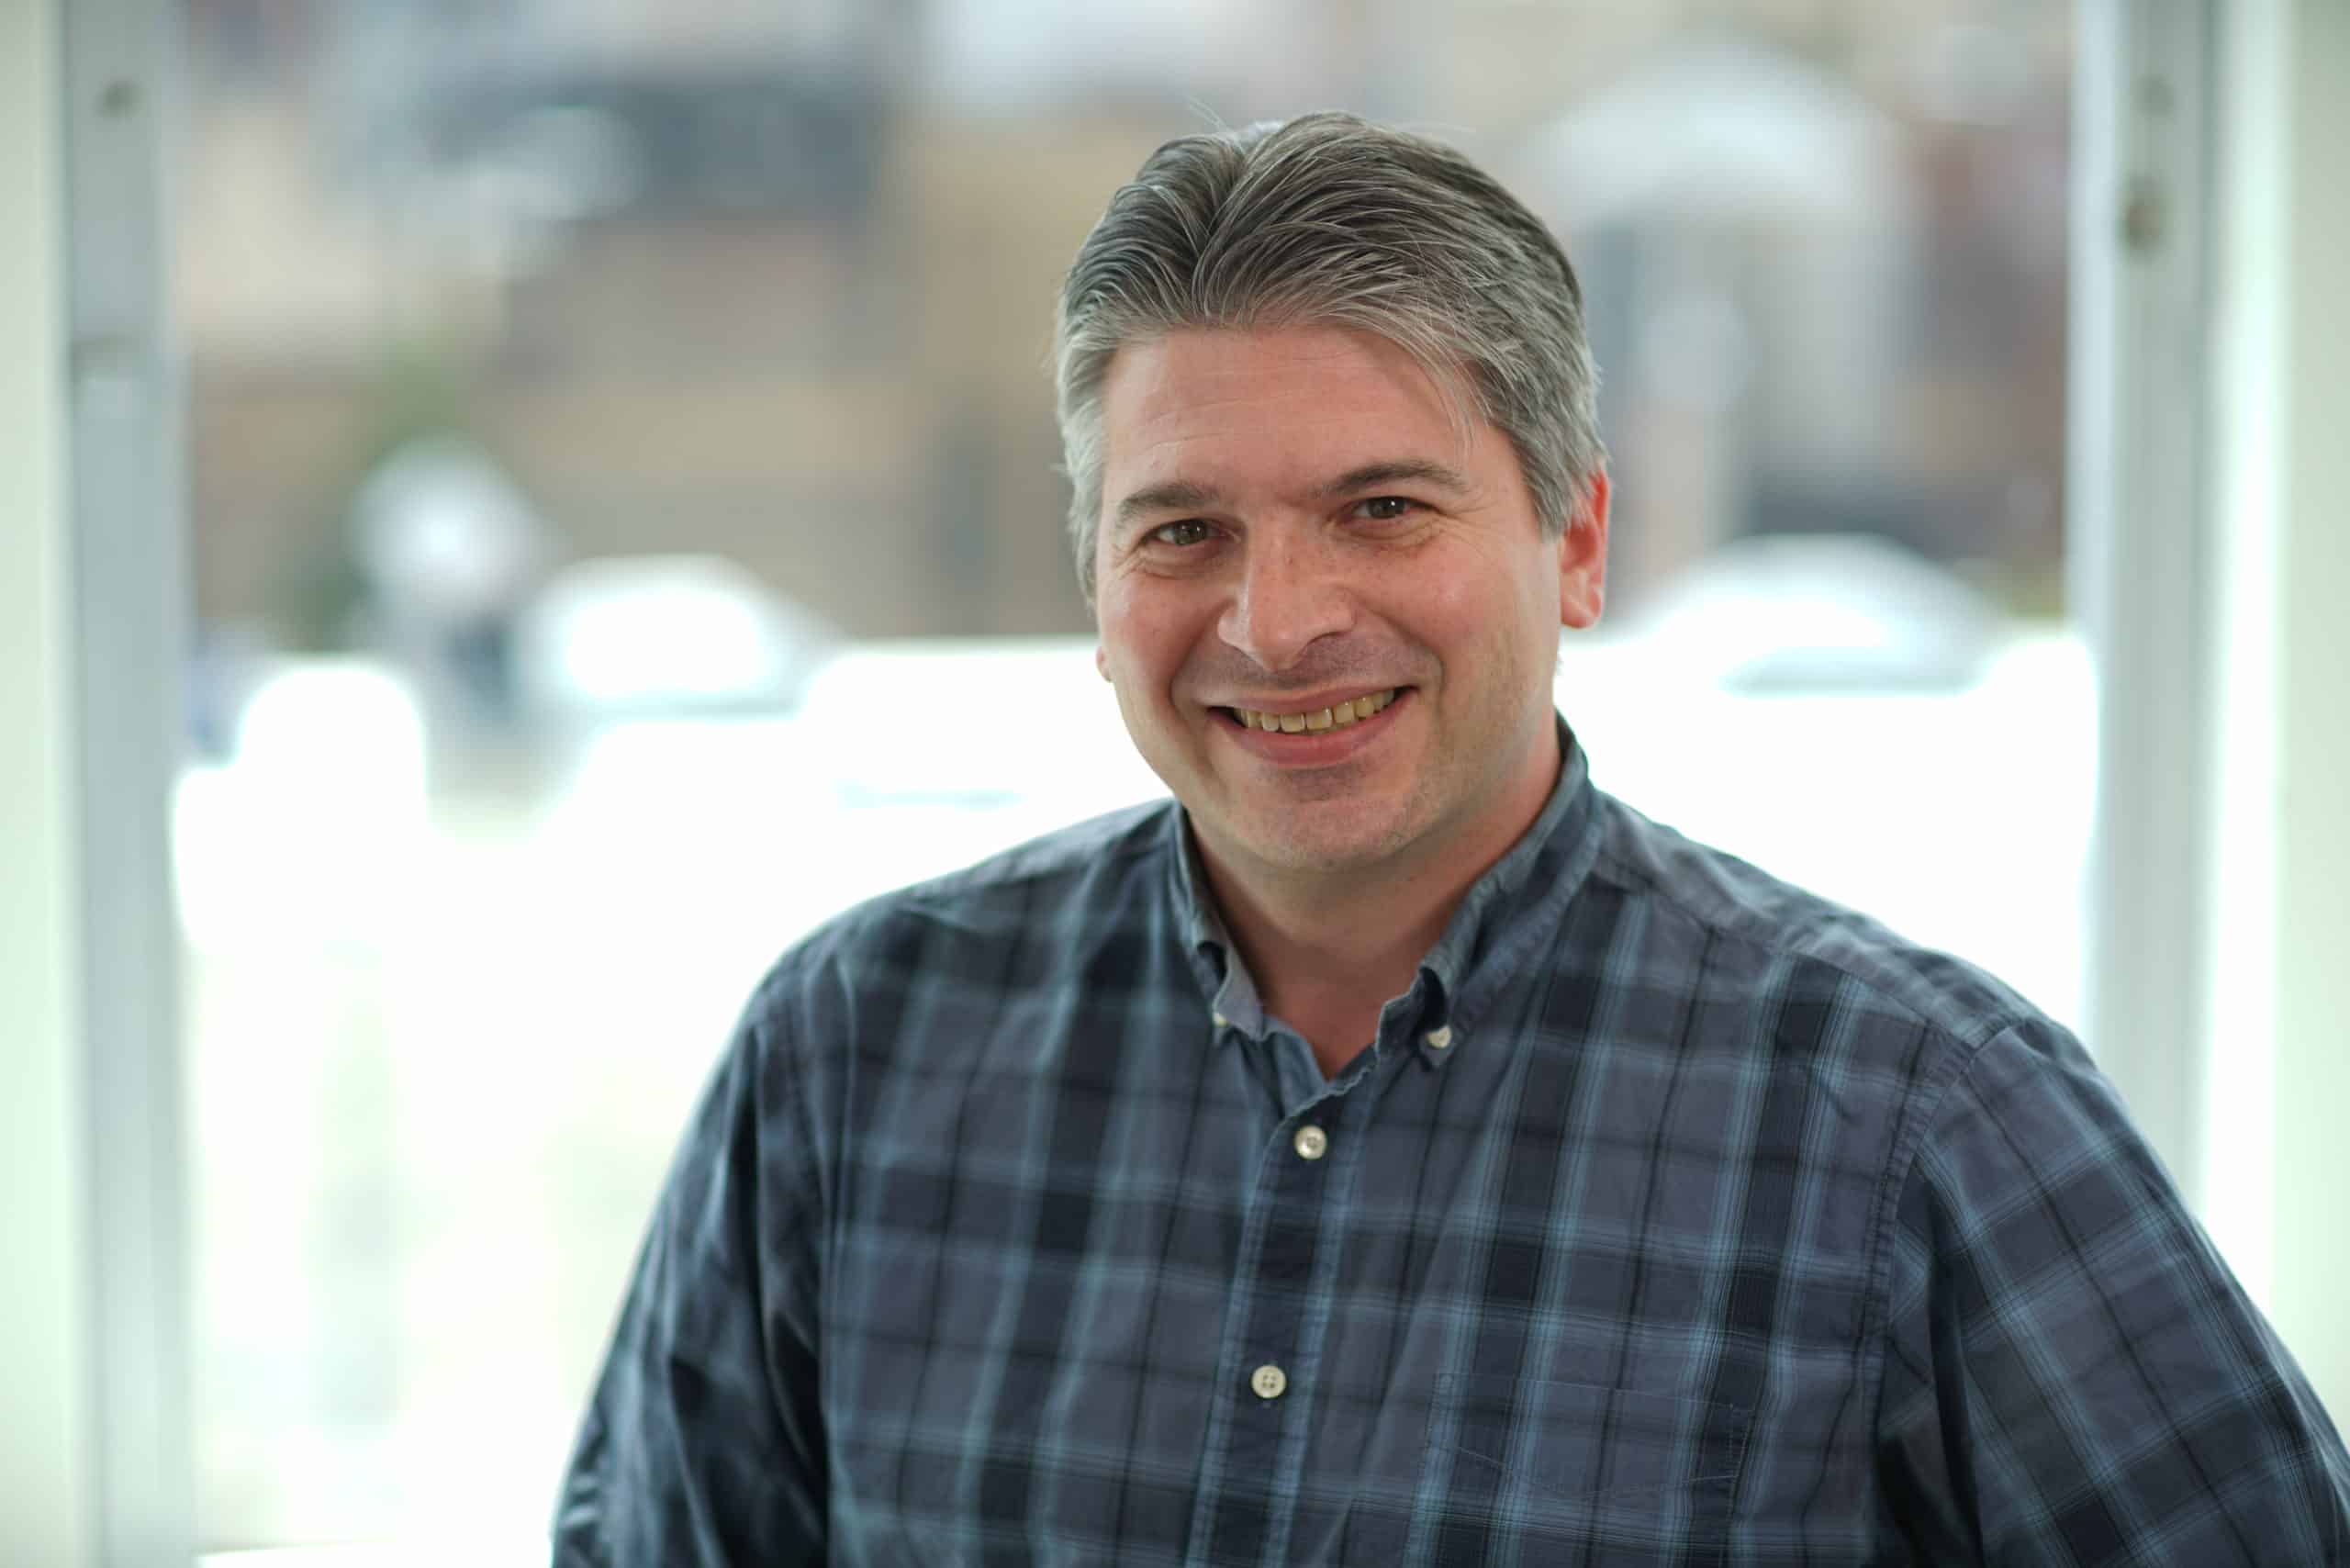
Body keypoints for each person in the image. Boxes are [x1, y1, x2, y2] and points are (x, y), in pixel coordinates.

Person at [553, 113, 2349, 1565]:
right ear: (1094, 580)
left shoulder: (1918, 1118)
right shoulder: (849, 1055)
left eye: (1380, 508)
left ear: (1577, 542)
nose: (1275, 623)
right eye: (1181, 530)